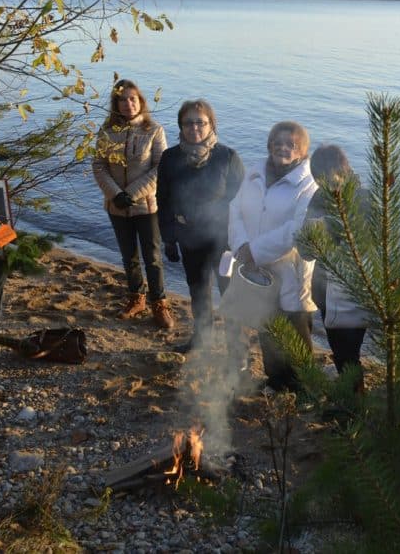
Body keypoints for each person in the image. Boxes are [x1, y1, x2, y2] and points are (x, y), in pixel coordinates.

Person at [227, 121, 318, 391]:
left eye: (291, 144)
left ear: (302, 150)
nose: (283, 148)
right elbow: (235, 209)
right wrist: (241, 244)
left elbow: (297, 229)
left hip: (290, 271)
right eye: (278, 142)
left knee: (295, 330)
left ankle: (303, 388)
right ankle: (277, 382)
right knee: (267, 325)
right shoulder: (254, 174)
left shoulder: (308, 184)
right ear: (269, 145)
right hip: (256, 268)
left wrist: (254, 251)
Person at [157, 99, 245, 352]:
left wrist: (239, 242)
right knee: (198, 292)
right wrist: (169, 239)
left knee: (230, 295)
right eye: (188, 123)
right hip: (189, 237)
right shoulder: (170, 157)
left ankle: (234, 348)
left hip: (223, 240)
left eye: (200, 122)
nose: (194, 127)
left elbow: (242, 202)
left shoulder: (227, 157)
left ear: (211, 124)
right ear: (181, 126)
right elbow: (163, 200)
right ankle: (202, 340)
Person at [92, 79, 173, 329]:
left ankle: (159, 303)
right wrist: (116, 194)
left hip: (146, 207)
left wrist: (132, 193)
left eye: (132, 99)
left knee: (153, 257)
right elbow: (99, 165)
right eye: (122, 99)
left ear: (140, 101)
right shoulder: (107, 131)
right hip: (116, 206)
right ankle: (136, 298)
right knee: (129, 256)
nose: (128, 104)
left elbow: (161, 168)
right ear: (116, 103)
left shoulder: (154, 130)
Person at [299, 145, 369, 390]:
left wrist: (330, 230)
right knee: (339, 349)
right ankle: (349, 392)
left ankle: (354, 400)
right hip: (324, 289)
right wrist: (311, 236)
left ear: (345, 170)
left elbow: (371, 248)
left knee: (348, 351)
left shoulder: (365, 199)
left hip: (353, 291)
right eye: (319, 175)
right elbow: (306, 250)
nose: (326, 181)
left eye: (332, 173)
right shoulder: (318, 197)